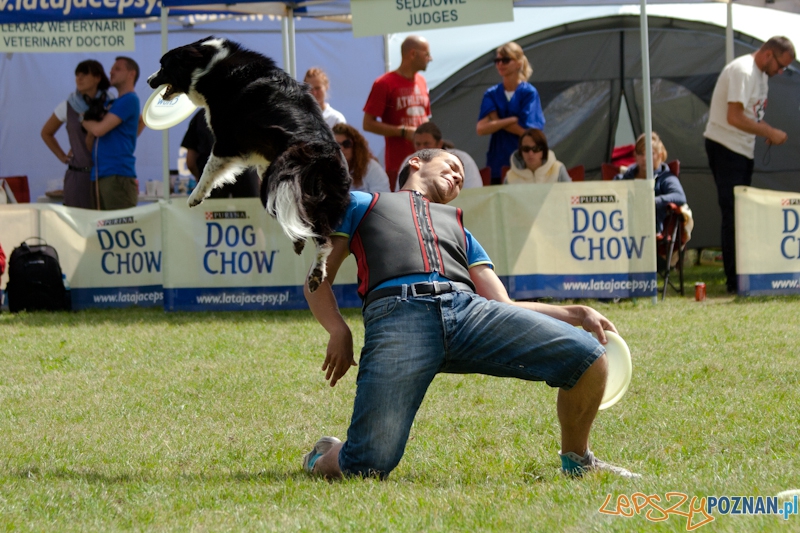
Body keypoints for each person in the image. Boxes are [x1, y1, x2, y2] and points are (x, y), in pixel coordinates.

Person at [301, 148, 639, 481]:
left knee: (588, 357)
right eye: (451, 165)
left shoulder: (459, 228)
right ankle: (325, 454)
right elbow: (317, 278)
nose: (457, 176)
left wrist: (578, 312)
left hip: (468, 313)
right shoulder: (362, 203)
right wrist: (338, 330)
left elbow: (503, 303)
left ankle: (578, 462)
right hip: (399, 315)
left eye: (461, 177)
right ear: (415, 162)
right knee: (367, 466)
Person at [704, 36, 795, 294]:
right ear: (768, 54)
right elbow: (734, 116)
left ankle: (742, 275)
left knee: (741, 215)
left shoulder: (761, 75)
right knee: (733, 213)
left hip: (742, 150)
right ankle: (734, 281)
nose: (781, 72)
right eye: (780, 66)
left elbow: (750, 116)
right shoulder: (743, 70)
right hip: (725, 147)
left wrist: (764, 129)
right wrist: (768, 131)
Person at [363, 35, 432, 191]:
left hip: (424, 162)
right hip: (399, 165)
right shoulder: (384, 83)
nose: (430, 58)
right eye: (427, 54)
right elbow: (367, 123)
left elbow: (425, 118)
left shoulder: (422, 81)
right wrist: (403, 132)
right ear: (413, 54)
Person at [40, 60, 110, 209]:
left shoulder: (111, 103)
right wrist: (62, 156)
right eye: (77, 75)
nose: (79, 78)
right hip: (78, 176)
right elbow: (46, 132)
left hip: (107, 175)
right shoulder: (68, 105)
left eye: (84, 74)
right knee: (76, 221)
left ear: (97, 78)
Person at [477, 42, 545, 185]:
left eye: (506, 60)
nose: (500, 64)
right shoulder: (491, 93)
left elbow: (528, 133)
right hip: (497, 164)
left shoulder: (529, 93)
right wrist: (511, 120)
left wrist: (496, 120)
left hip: (524, 163)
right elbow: (481, 129)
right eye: (497, 60)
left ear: (518, 63)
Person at [82, 56, 145, 210]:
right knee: (102, 224)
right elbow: (91, 142)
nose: (111, 72)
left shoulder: (130, 100)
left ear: (131, 74)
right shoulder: (111, 103)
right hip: (100, 174)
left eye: (117, 69)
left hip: (117, 174)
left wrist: (84, 121)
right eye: (111, 69)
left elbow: (98, 130)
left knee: (119, 222)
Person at [614, 132, 686, 234]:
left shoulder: (665, 178)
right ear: (635, 155)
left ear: (660, 155)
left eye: (650, 153)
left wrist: (654, 201)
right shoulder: (625, 177)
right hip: (619, 227)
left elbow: (680, 196)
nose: (644, 158)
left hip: (649, 231)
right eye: (640, 153)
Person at [181, 109, 260, 198]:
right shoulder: (250, 111)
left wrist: (201, 179)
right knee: (250, 206)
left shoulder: (201, 116)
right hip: (246, 173)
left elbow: (190, 161)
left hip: (212, 176)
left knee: (211, 207)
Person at [408, 121, 483, 189]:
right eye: (418, 144)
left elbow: (474, 191)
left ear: (439, 144)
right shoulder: (409, 162)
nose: (422, 149)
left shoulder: (462, 160)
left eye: (427, 144)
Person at [332, 123, 390, 194]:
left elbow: (381, 197)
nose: (342, 149)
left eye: (346, 144)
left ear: (356, 147)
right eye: (337, 145)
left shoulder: (371, 168)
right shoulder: (325, 169)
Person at [505, 128, 570, 185]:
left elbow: (571, 193)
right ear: (520, 152)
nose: (530, 153)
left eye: (536, 149)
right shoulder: (510, 176)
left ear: (543, 150)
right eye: (526, 149)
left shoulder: (558, 169)